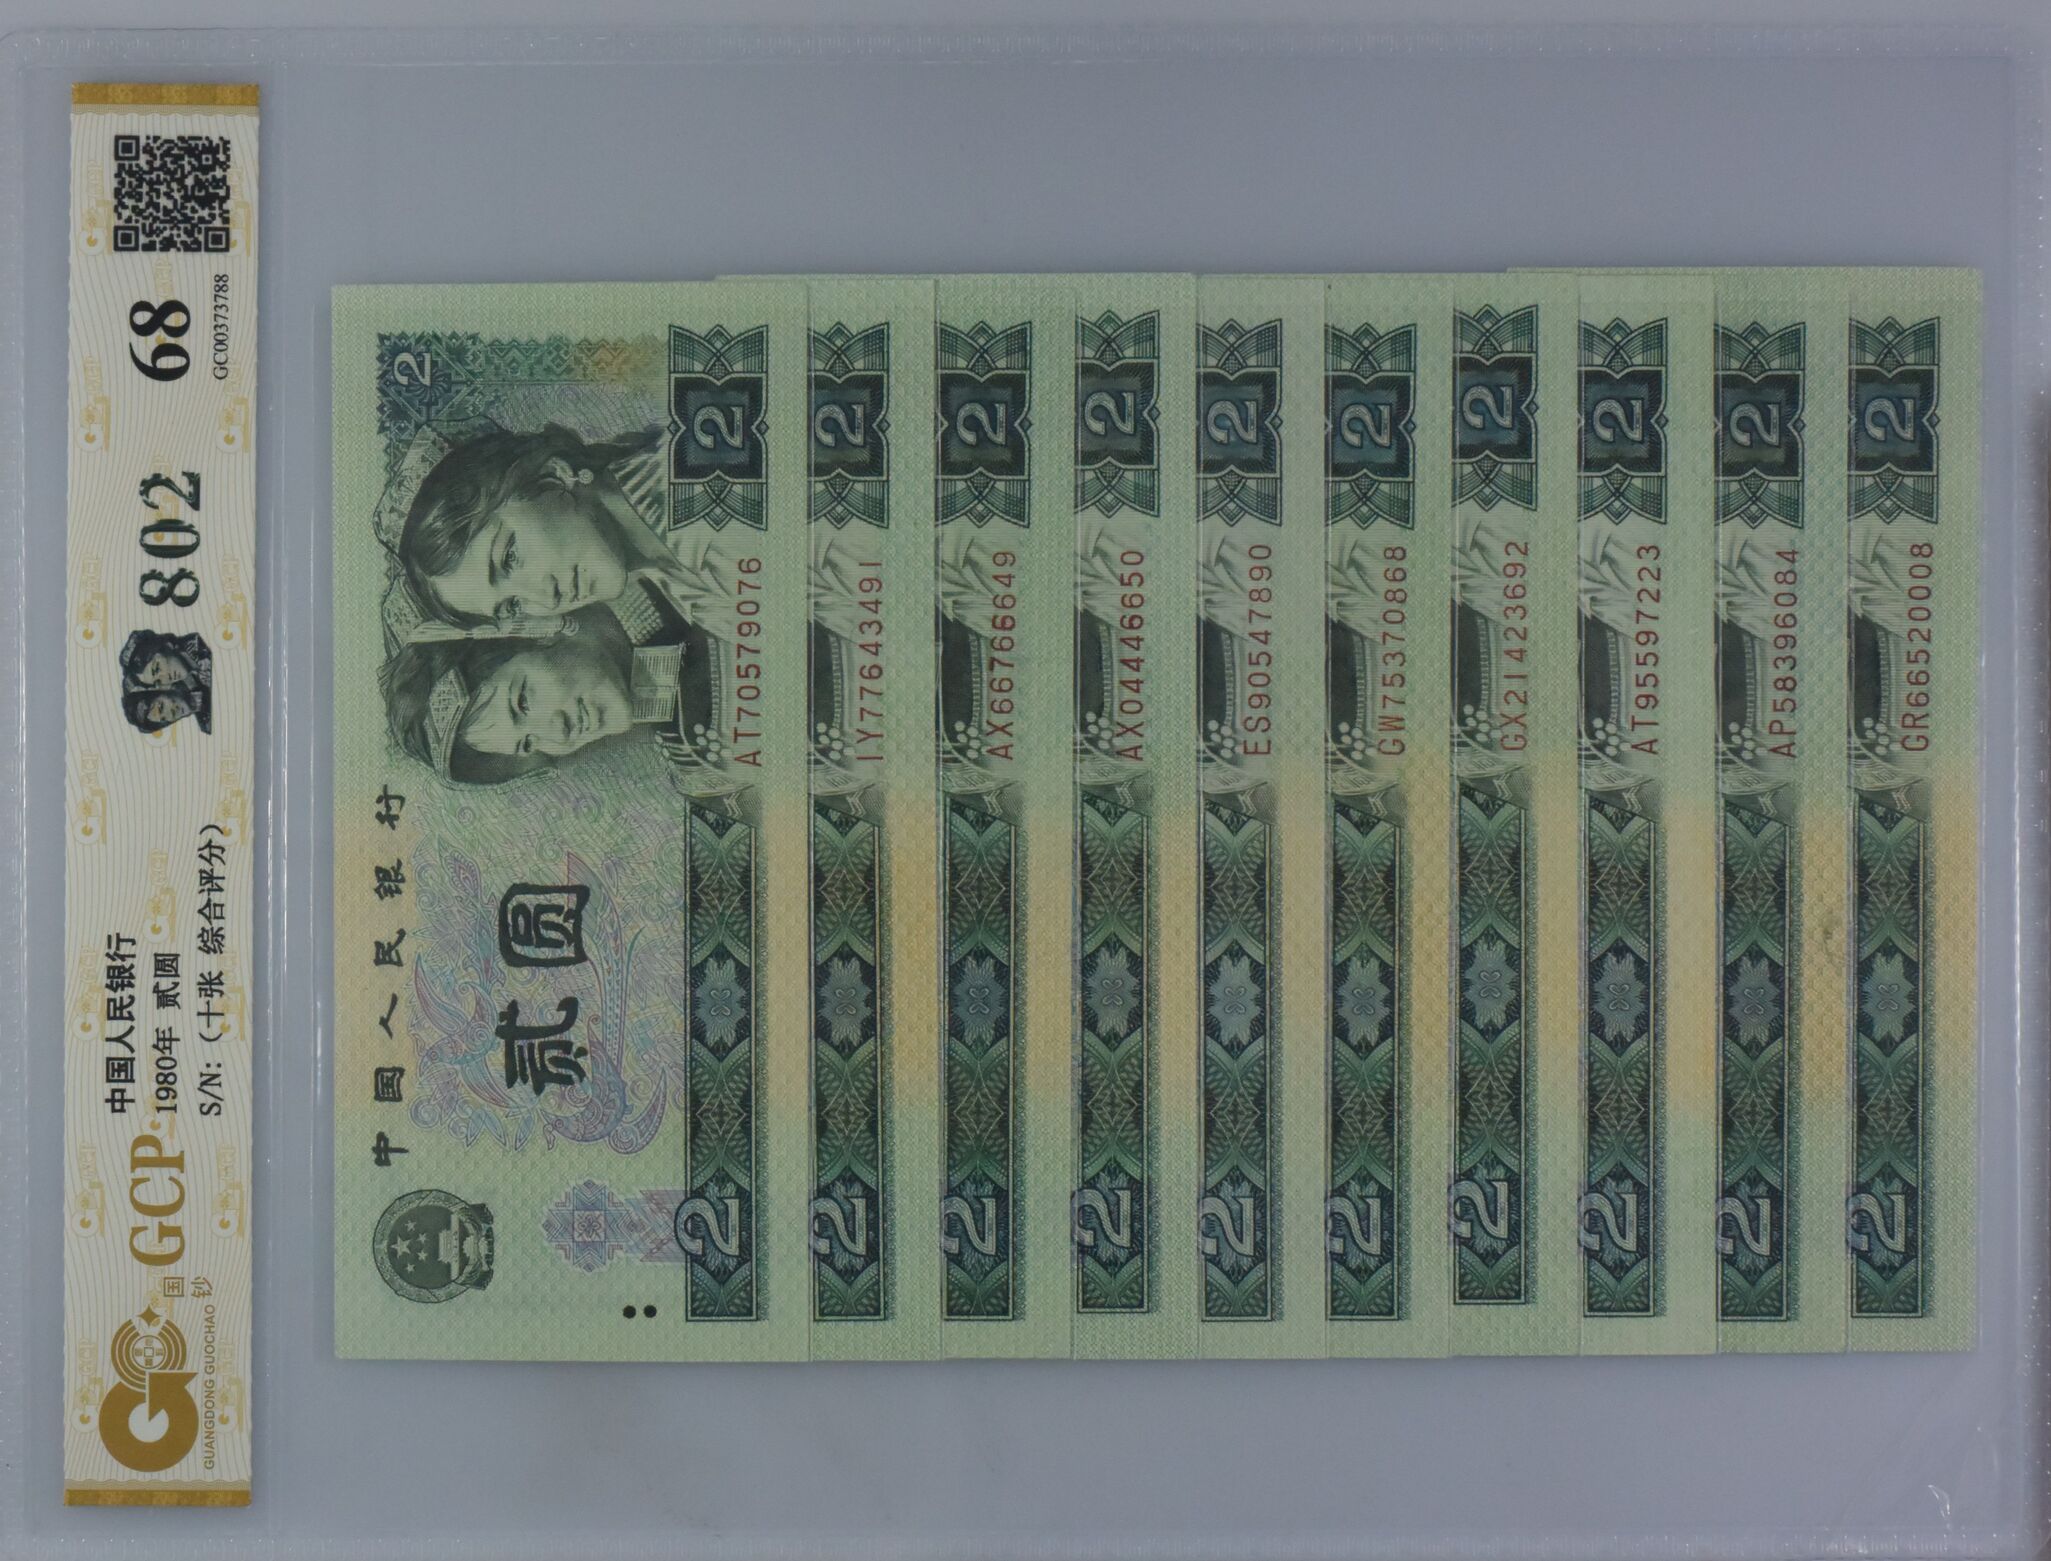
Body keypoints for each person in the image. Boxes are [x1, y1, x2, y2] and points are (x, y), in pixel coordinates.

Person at [381, 603, 737, 797]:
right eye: (528, 743)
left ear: (536, 633)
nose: (559, 734)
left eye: (522, 703)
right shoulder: (694, 758)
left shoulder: (673, 584)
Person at [118, 628, 212, 734]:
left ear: (166, 646)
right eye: (157, 681)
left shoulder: (203, 644)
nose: (165, 678)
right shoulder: (201, 699)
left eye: (157, 668)